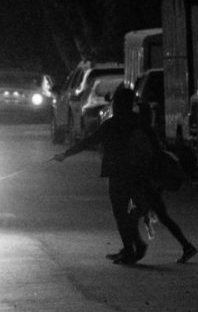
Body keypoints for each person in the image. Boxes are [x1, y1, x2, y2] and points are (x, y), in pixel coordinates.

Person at [53, 83, 150, 264]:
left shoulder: (112, 124)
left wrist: (65, 154)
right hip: (138, 173)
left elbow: (88, 141)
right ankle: (131, 246)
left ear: (117, 104)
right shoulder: (138, 121)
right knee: (132, 213)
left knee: (121, 213)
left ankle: (131, 249)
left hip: (118, 173)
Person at [131, 101, 198, 264]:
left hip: (149, 183)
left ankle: (134, 248)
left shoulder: (143, 133)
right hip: (153, 183)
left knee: (132, 218)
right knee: (162, 216)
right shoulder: (150, 132)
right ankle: (186, 246)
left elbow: (147, 159)